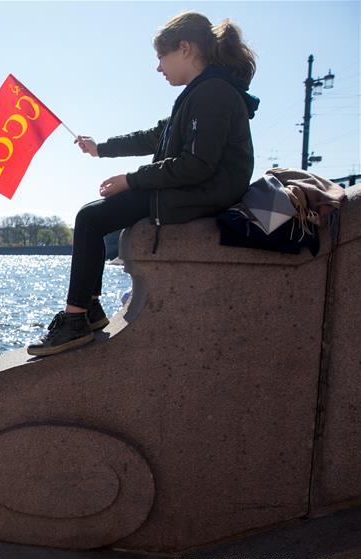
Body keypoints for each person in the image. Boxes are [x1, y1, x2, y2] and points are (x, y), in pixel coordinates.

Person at [27, 11, 260, 357]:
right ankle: (88, 310)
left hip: (201, 195)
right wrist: (101, 149)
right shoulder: (202, 90)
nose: (158, 68)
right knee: (91, 215)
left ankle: (76, 319)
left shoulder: (213, 93)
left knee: (90, 220)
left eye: (160, 57)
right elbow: (154, 136)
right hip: (193, 189)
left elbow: (198, 165)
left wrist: (131, 181)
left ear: (184, 48)